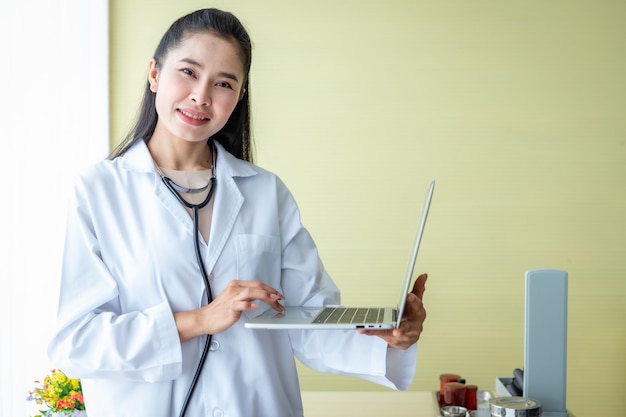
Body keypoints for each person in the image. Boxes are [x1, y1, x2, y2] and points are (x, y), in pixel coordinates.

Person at [48, 8, 427, 417]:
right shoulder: (100, 191)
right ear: (155, 74)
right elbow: (78, 342)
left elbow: (307, 323)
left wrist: (388, 337)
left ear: (239, 96)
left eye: (223, 83)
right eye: (188, 72)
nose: (201, 96)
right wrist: (199, 320)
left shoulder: (266, 192)